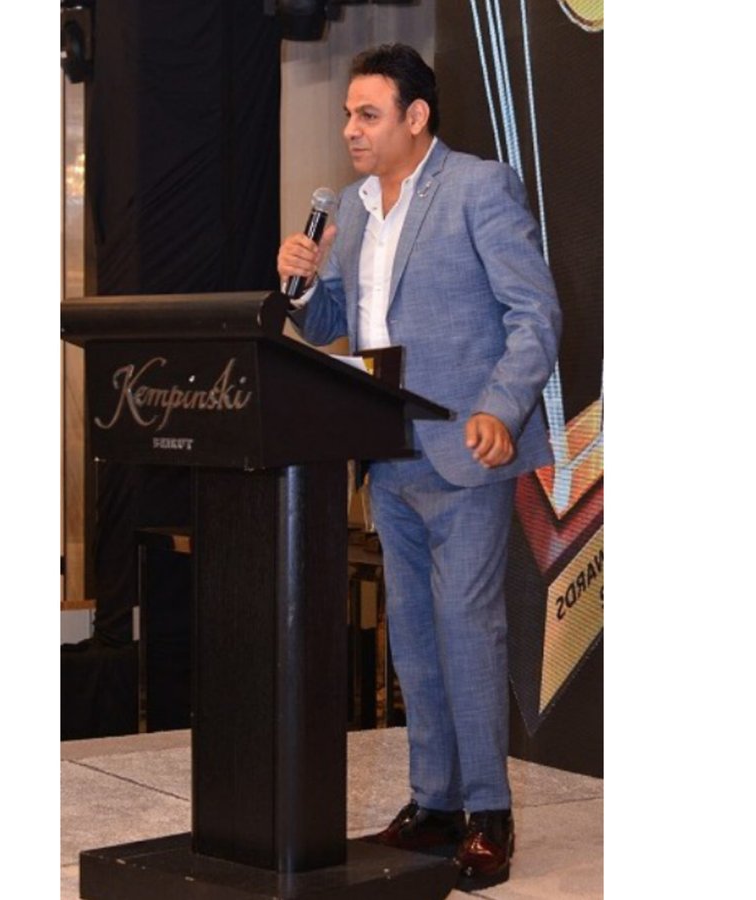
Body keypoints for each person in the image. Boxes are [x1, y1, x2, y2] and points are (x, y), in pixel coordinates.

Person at [277, 43, 561, 891]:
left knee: (468, 627)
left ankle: (488, 815)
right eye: (347, 114)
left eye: (367, 114)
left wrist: (500, 408)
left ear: (416, 117)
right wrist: (301, 285)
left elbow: (534, 312)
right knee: (414, 632)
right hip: (386, 449)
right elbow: (332, 324)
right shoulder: (353, 208)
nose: (350, 129)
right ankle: (434, 802)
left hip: (464, 448)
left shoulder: (478, 187)